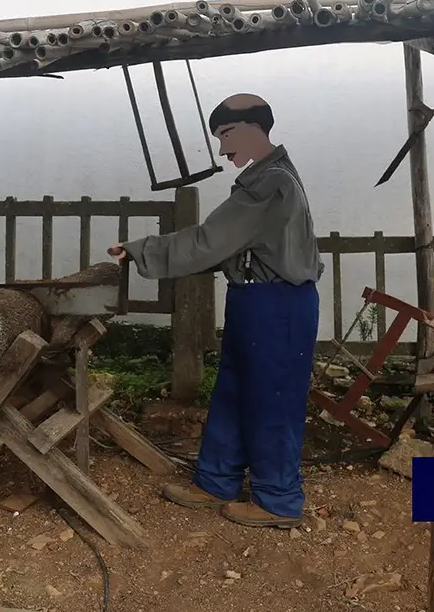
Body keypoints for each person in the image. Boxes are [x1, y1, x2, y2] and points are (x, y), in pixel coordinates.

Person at [109, 93, 322, 528]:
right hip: (255, 299)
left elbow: (209, 241)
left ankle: (278, 500)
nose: (223, 149)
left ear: (257, 129)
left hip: (277, 303)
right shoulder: (266, 177)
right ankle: (216, 480)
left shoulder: (270, 183)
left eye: (227, 135)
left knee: (272, 399)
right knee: (233, 392)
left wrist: (139, 251)